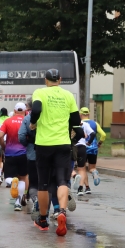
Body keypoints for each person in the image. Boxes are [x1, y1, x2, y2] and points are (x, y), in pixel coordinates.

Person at [30, 69, 82, 236]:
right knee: (62, 180)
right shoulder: (68, 95)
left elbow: (36, 109)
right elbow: (76, 120)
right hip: (63, 143)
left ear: (46, 80)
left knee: (43, 183)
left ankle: (43, 219)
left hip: (44, 143)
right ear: (60, 80)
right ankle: (61, 211)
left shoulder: (40, 92)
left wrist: (33, 123)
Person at [0, 102, 28, 211]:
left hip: (10, 153)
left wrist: (4, 146)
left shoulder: (8, 121)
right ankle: (18, 203)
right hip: (24, 153)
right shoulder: (26, 121)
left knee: (8, 178)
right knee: (23, 178)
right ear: (25, 111)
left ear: (14, 111)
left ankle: (11, 182)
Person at [78, 107, 106, 192]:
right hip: (93, 148)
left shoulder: (79, 123)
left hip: (83, 147)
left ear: (80, 114)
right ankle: (94, 172)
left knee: (82, 168)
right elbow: (103, 135)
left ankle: (87, 187)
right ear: (89, 114)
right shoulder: (94, 123)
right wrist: (100, 143)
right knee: (92, 167)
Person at [74, 113, 96, 196]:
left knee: (69, 167)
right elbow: (93, 134)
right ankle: (80, 188)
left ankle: (74, 176)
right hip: (82, 147)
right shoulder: (85, 124)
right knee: (82, 169)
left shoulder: (68, 123)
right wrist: (89, 142)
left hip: (72, 147)